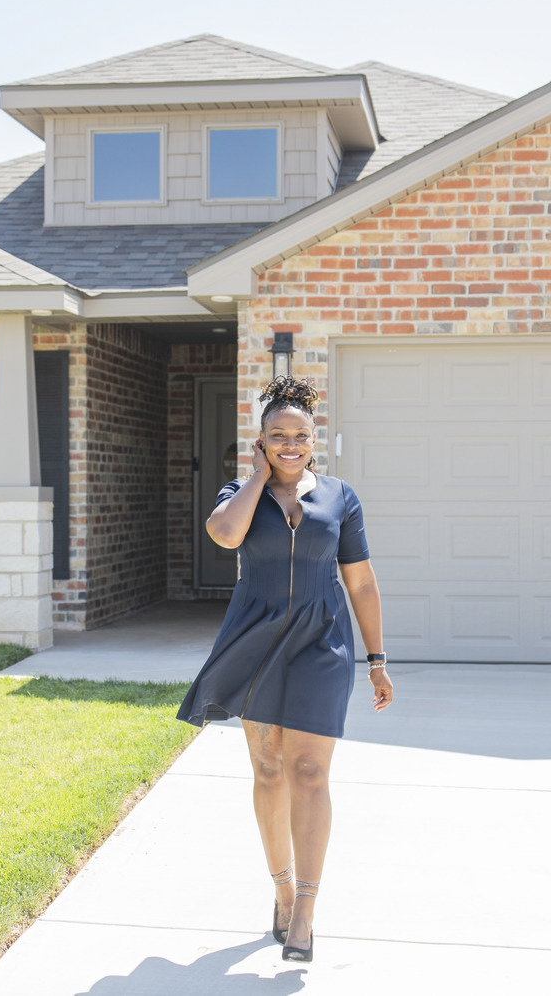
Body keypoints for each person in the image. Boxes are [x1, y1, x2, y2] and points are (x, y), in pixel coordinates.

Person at [177, 375, 392, 964]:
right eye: (278, 436)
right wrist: (256, 478)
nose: (290, 444)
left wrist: (376, 660)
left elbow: (362, 581)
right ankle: (279, 886)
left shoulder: (341, 498)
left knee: (309, 772)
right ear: (262, 442)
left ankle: (305, 910)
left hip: (323, 644)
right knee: (269, 766)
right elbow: (223, 535)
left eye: (300, 434)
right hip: (256, 640)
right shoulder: (238, 492)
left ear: (314, 438)